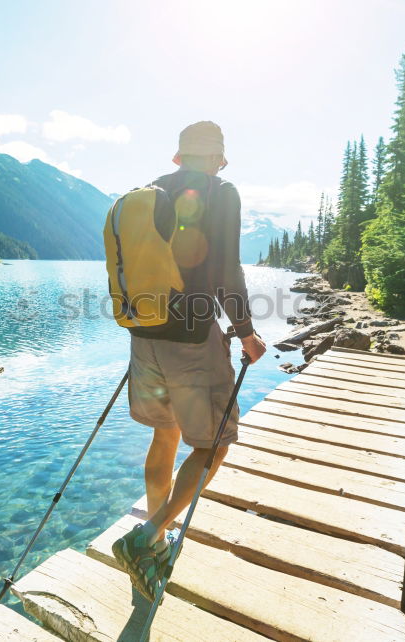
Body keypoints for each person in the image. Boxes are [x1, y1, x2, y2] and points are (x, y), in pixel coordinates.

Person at [111, 121, 266, 601]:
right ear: (220, 160)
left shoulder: (149, 194)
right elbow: (226, 271)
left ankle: (156, 539)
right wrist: (246, 332)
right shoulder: (222, 193)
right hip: (194, 340)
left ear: (178, 158)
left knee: (166, 433)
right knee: (214, 444)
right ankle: (147, 535)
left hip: (144, 336)